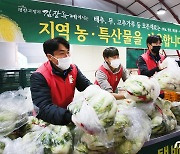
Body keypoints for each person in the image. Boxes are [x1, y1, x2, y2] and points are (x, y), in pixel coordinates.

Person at [30, 37, 91, 125]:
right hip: (48, 121)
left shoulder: (73, 69)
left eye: (68, 52)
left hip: (67, 116)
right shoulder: (39, 76)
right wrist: (70, 117)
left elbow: (87, 86)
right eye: (62, 53)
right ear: (49, 56)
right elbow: (43, 108)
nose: (67, 57)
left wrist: (100, 95)